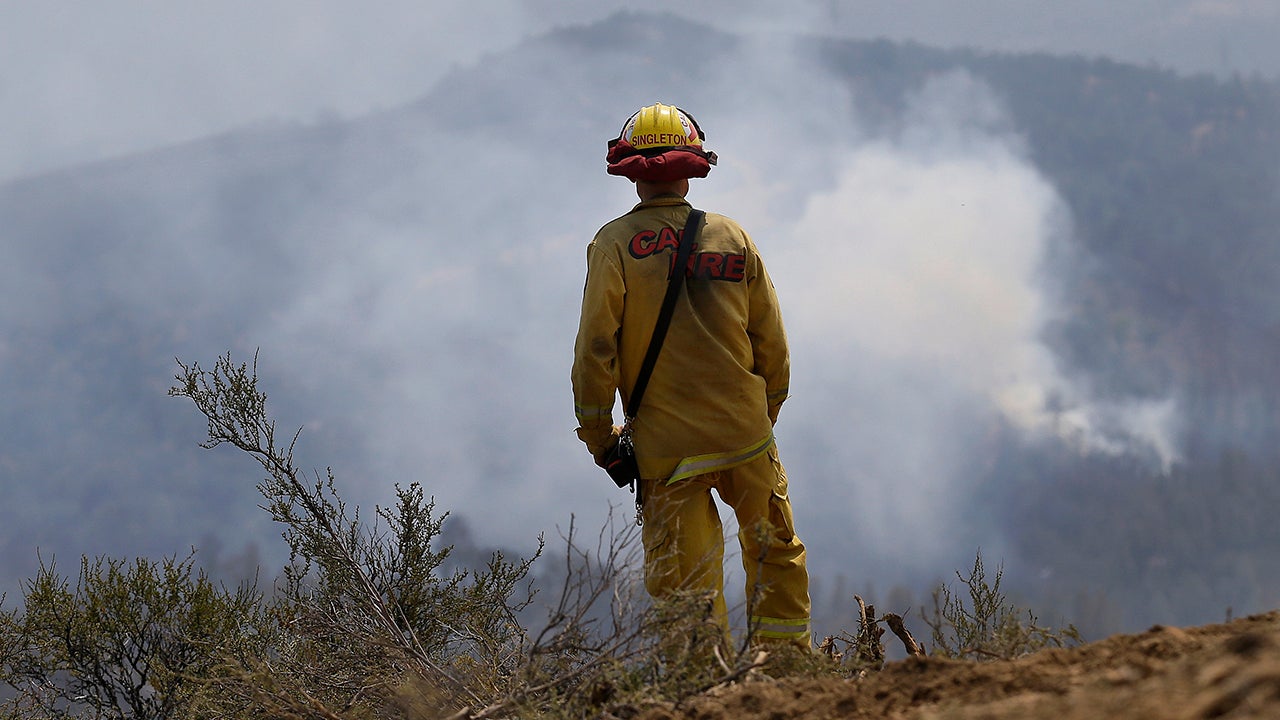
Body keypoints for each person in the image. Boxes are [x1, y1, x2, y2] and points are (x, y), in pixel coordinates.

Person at [571, 102, 811, 650]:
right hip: (745, 436)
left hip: (666, 450)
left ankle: (709, 695)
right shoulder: (731, 237)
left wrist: (600, 440)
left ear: (630, 170)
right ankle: (791, 678)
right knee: (774, 553)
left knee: (686, 586)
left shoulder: (613, 245)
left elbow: (595, 351)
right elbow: (771, 345)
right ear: (693, 163)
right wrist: (762, 413)